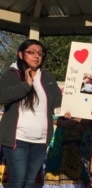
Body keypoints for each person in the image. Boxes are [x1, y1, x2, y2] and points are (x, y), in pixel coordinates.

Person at [0, 39, 62, 188]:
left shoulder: (47, 77)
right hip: (17, 139)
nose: (36, 56)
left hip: (40, 141)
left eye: (40, 53)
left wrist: (68, 111)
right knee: (18, 180)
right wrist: (26, 85)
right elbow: (2, 96)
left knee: (30, 182)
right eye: (31, 52)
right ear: (21, 54)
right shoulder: (11, 75)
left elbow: (58, 102)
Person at [44, 116, 91, 188]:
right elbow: (51, 118)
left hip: (80, 147)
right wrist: (63, 122)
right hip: (61, 145)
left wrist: (80, 121)